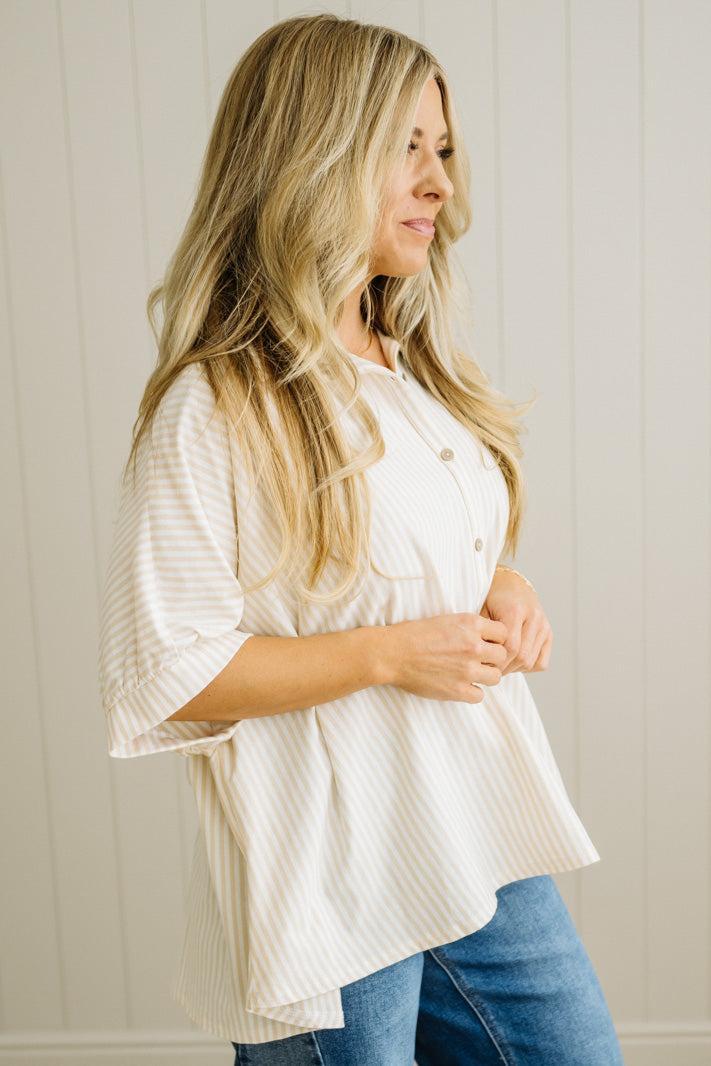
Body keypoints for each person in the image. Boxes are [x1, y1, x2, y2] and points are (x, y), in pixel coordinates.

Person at [97, 13, 624, 1065]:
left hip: (472, 827)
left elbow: (398, 566)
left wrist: (501, 587)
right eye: (406, 149)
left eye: (444, 151)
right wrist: (391, 654)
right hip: (329, 869)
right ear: (314, 154)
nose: (439, 184)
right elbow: (168, 671)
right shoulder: (216, 405)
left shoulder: (407, 366)